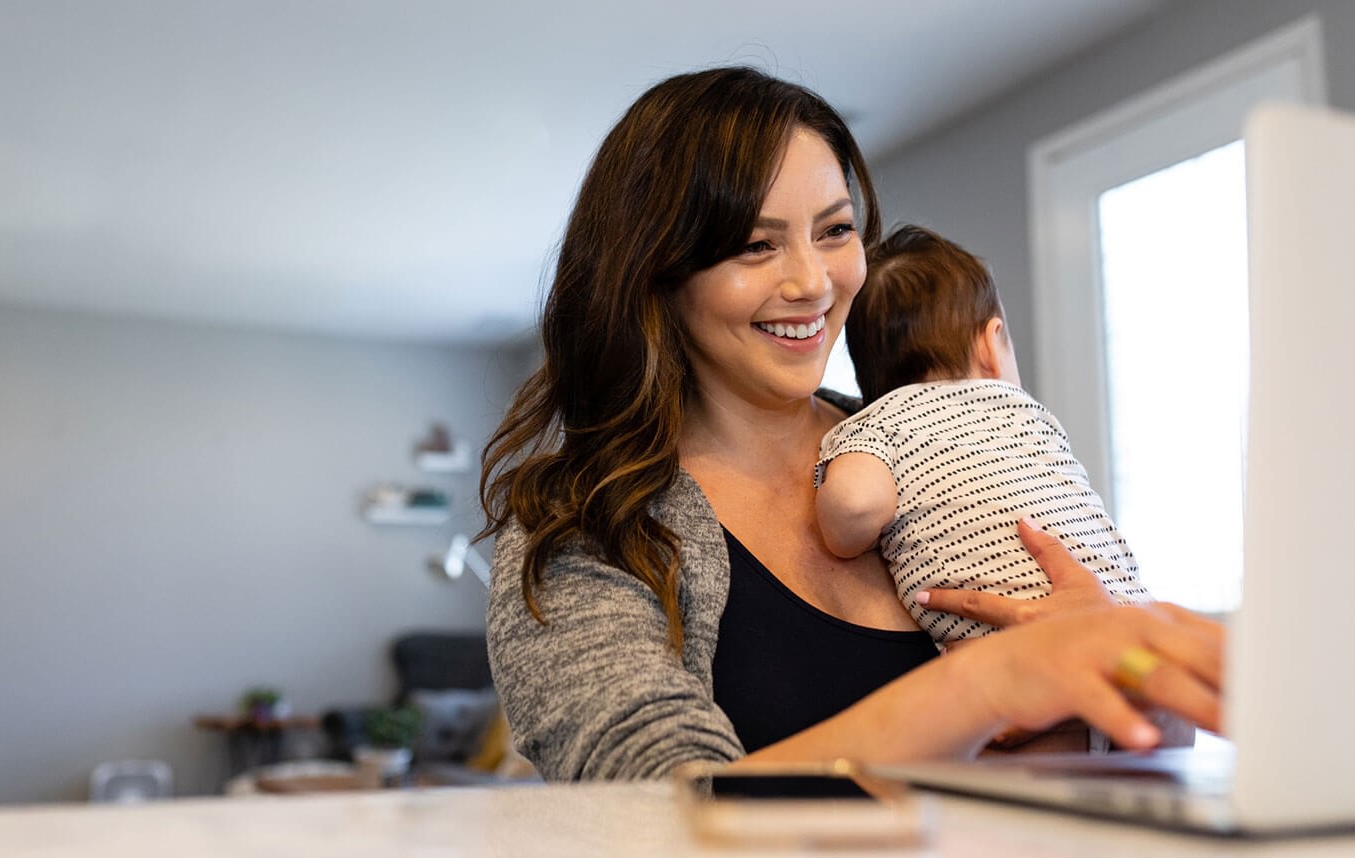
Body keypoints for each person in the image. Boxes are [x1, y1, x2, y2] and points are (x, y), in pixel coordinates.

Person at [479, 66, 1222, 782]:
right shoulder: (583, 528)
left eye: (835, 230)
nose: (813, 283)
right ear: (656, 273)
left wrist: (1121, 660)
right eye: (756, 245)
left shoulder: (933, 447)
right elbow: (653, 804)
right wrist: (987, 686)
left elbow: (1154, 747)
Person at [815, 225, 1154, 653]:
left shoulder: (877, 424)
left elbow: (854, 504)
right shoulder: (1033, 416)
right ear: (991, 346)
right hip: (1133, 622)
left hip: (1018, 645)